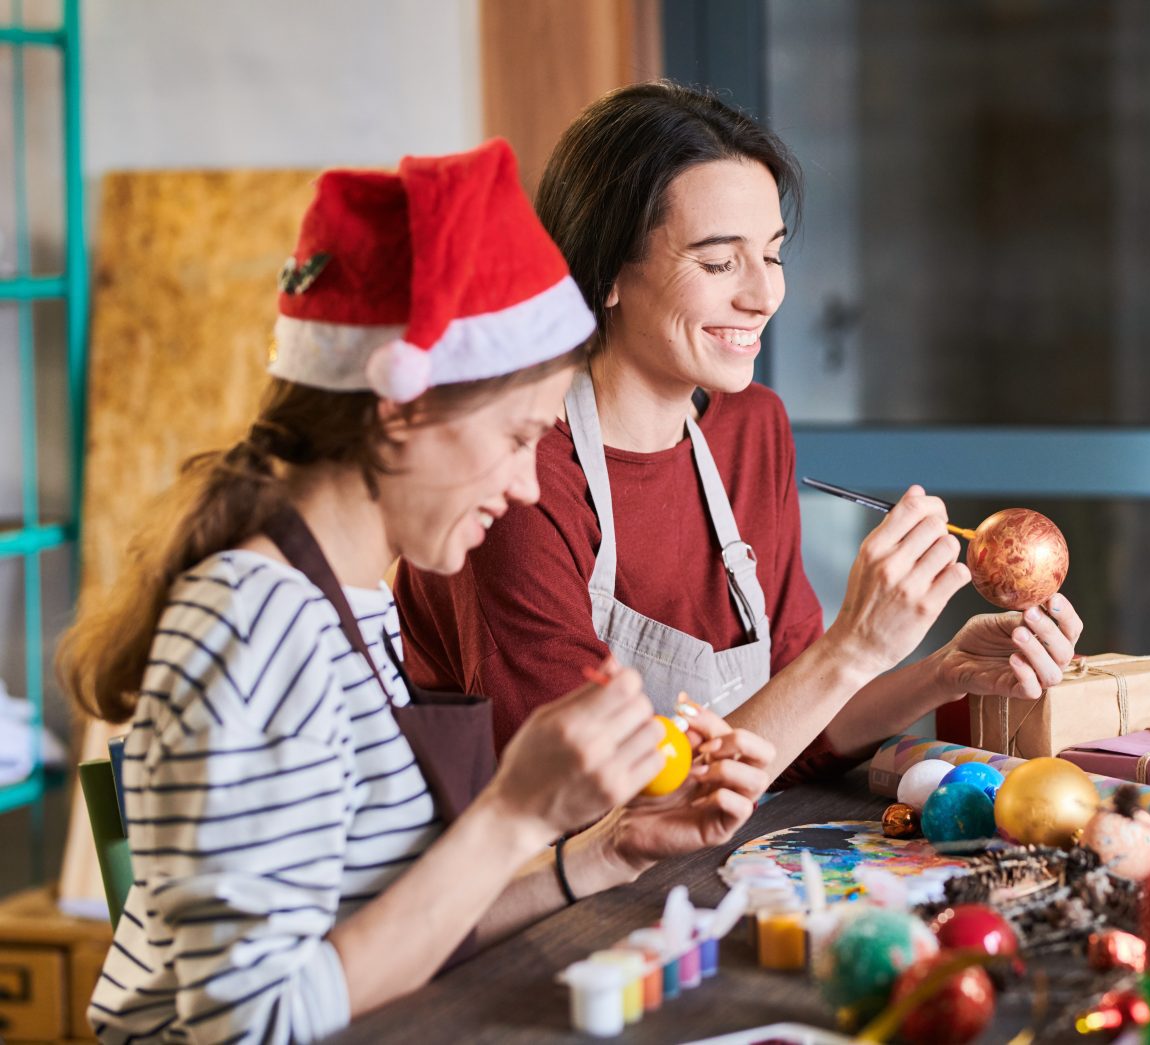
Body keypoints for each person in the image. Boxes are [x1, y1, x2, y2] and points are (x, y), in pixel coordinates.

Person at [57, 139, 772, 1044]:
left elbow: (391, 929)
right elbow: (248, 1026)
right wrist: (514, 809)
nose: (523, 483)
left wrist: (606, 848)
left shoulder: (354, 599)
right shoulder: (255, 623)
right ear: (401, 410)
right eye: (516, 437)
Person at [395, 82, 1084, 786]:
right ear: (605, 273)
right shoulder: (515, 473)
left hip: (708, 862)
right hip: (552, 888)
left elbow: (797, 724)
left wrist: (943, 672)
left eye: (773, 254)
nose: (763, 295)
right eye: (720, 262)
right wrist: (851, 645)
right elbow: (579, 797)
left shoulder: (752, 427)